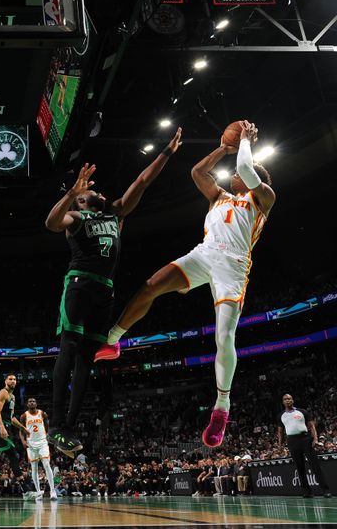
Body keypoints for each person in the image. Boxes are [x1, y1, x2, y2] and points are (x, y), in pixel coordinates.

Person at [99, 121, 275, 448]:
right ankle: (113, 340)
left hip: (233, 267)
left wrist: (246, 141)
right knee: (151, 285)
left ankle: (222, 405)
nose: (233, 174)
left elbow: (245, 168)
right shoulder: (219, 197)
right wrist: (224, 147)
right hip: (204, 255)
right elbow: (197, 172)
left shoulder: (263, 198)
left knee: (224, 337)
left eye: (238, 172)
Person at [43, 129, 183, 455]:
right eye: (88, 191)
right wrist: (70, 193)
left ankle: (67, 430)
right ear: (80, 199)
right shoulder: (77, 216)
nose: (97, 190)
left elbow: (142, 182)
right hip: (80, 284)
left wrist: (166, 152)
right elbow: (51, 223)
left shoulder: (115, 213)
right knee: (69, 348)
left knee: (87, 360)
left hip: (105, 291)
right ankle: (55, 423)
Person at [277, 394, 332, 498]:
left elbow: (311, 426)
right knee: (300, 467)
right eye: (285, 399)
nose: (287, 400)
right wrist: (280, 445)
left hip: (305, 439)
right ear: (283, 402)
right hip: (292, 441)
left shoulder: (302, 411)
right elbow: (280, 432)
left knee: (315, 465)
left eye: (289, 398)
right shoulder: (281, 415)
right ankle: (307, 492)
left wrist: (315, 438)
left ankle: (325, 490)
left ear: (292, 400)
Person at [19, 398, 57, 500]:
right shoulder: (24, 416)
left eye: (33, 401)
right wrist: (23, 441)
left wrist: (47, 435)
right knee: (34, 468)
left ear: (36, 403)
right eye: (30, 401)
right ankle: (38, 492)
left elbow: (47, 425)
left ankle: (53, 491)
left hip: (42, 442)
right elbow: (21, 430)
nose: (31, 402)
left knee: (46, 464)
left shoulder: (42, 413)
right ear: (27, 404)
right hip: (31, 444)